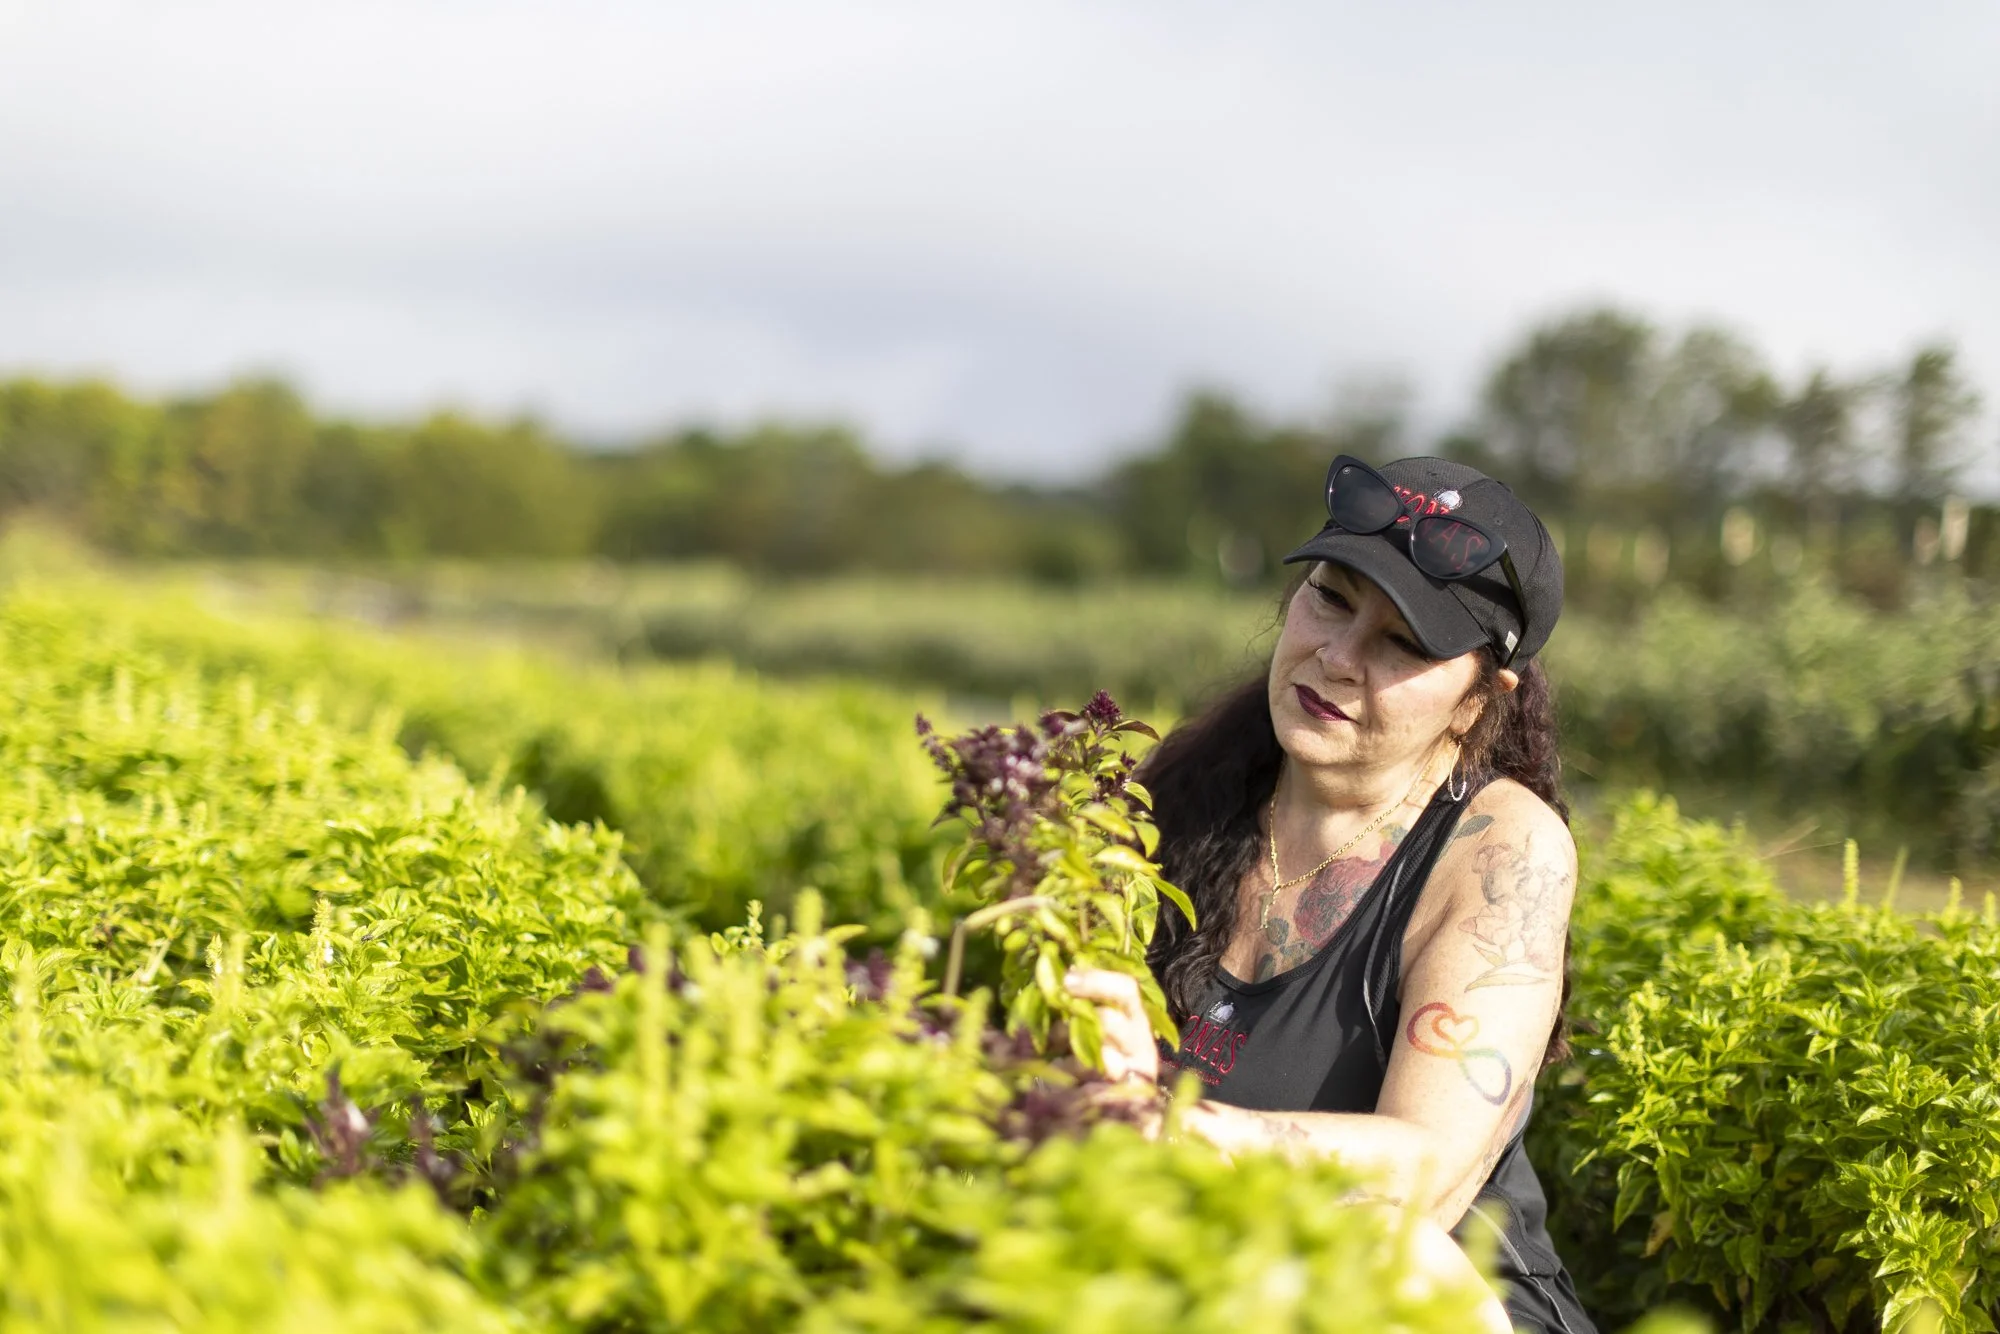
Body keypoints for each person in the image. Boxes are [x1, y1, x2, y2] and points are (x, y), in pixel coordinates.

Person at [1067, 455, 1596, 1334]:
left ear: (1479, 699)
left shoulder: (1503, 852)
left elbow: (1423, 1174)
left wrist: (1170, 1124)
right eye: (1331, 599)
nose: (1339, 656)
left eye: (1403, 644)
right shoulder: (1180, 803)